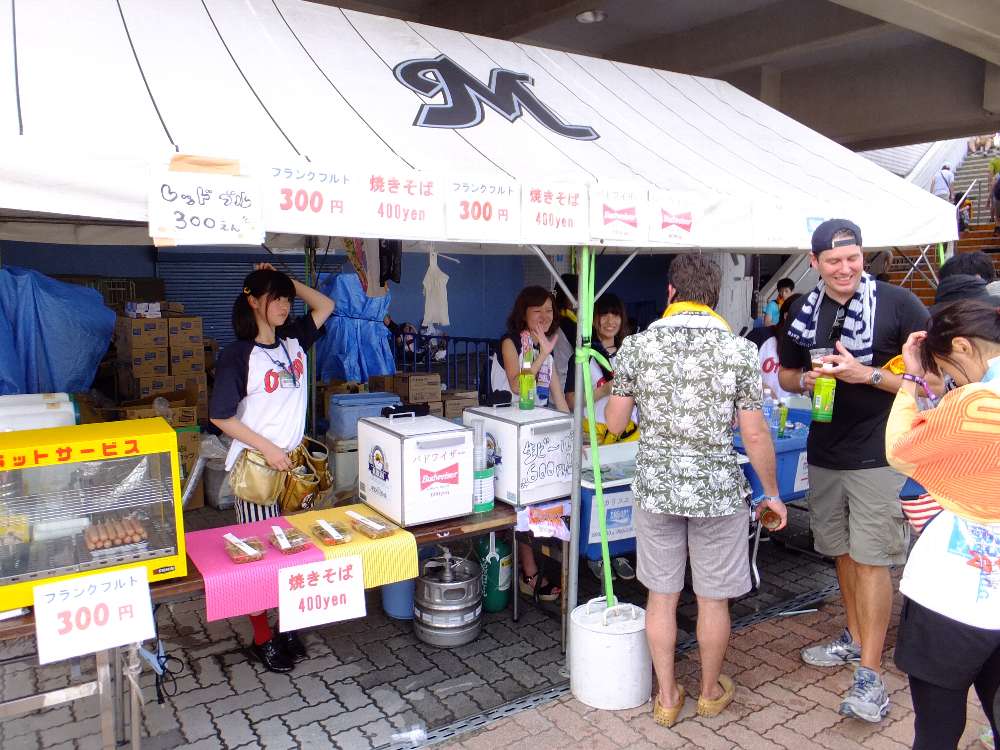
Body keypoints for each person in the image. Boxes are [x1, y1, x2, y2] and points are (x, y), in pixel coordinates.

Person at [605, 254, 786, 727]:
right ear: (715, 297)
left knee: (661, 596)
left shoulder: (636, 348)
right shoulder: (739, 352)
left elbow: (616, 422)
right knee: (711, 599)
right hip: (717, 492)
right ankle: (708, 693)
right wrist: (771, 492)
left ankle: (666, 697)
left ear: (671, 292)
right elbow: (756, 434)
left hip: (657, 489)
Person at [777, 219, 930, 723]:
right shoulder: (802, 310)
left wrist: (867, 375)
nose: (845, 268)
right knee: (841, 552)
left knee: (872, 559)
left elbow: (929, 381)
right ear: (815, 262)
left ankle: (870, 674)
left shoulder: (898, 304)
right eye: (834, 260)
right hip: (826, 450)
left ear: (863, 257)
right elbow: (784, 371)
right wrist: (808, 379)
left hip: (880, 453)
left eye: (853, 258)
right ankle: (855, 636)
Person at [885, 299, 1000, 750]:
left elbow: (901, 449)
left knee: (937, 729)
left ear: (963, 346)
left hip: (956, 590)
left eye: (951, 369)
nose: (954, 380)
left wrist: (911, 379)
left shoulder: (978, 401)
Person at [210, 263, 335, 673]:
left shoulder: (293, 342)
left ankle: (285, 628)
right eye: (274, 297)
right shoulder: (237, 355)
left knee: (292, 549)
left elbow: (327, 304)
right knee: (260, 556)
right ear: (252, 301)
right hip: (258, 469)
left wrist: (285, 279)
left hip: (292, 466)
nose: (284, 305)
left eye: (286, 298)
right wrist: (267, 447)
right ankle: (262, 638)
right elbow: (220, 416)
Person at [490, 286, 569, 602]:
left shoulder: (544, 345)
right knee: (520, 502)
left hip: (537, 436)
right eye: (538, 310)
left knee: (542, 500)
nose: (545, 316)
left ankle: (543, 561)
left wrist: (576, 436)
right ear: (523, 312)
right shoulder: (511, 342)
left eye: (549, 310)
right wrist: (544, 353)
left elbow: (559, 398)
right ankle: (528, 571)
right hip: (509, 433)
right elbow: (516, 383)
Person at [563, 292, 638, 582]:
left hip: (630, 436)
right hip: (596, 438)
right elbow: (572, 401)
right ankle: (595, 554)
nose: (609, 321)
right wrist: (605, 390)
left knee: (627, 496)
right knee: (598, 499)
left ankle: (622, 551)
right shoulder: (582, 357)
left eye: (615, 315)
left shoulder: (631, 353)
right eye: (603, 315)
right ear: (593, 321)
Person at [747, 293, 801, 401]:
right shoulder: (760, 336)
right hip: (759, 410)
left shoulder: (810, 346)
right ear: (786, 316)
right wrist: (761, 388)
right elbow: (737, 371)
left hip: (793, 413)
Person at [552, 273, 578, 392]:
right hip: (566, 388)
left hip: (552, 388)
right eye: (576, 296)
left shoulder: (553, 320)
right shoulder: (568, 323)